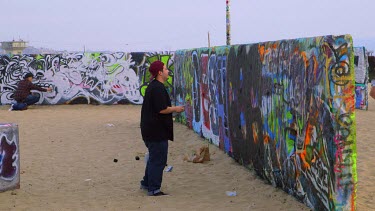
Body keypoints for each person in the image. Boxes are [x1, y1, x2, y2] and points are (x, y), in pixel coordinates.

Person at [140, 61, 184, 196]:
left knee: (154, 157)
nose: (168, 71)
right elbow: (162, 109)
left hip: (150, 130)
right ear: (159, 72)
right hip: (155, 131)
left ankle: (146, 183)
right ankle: (154, 189)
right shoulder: (157, 88)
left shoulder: (154, 86)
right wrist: (176, 109)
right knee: (158, 159)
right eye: (165, 69)